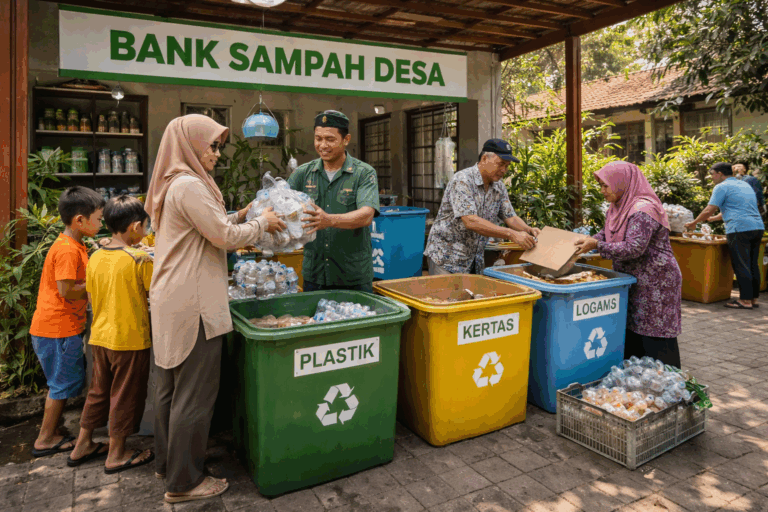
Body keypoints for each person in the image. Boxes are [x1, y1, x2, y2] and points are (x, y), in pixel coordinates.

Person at [145, 115, 285, 504]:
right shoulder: (189, 185)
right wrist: (261, 223)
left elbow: (210, 225)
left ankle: (168, 465)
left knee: (171, 389)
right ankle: (185, 483)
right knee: (194, 394)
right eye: (212, 145)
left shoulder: (174, 183)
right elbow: (222, 238)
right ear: (190, 145)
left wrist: (242, 214)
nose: (217, 154)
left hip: (172, 297)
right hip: (194, 302)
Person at [67, 196, 155, 472]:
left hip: (100, 338)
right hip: (129, 339)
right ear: (135, 227)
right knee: (126, 395)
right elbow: (156, 295)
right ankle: (116, 452)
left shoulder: (96, 256)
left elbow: (92, 299)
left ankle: (83, 443)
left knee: (98, 392)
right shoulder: (139, 259)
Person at [575, 161, 682, 367]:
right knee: (633, 331)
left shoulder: (642, 210)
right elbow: (607, 234)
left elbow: (634, 248)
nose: (602, 191)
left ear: (621, 182)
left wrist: (596, 245)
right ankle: (636, 384)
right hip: (632, 280)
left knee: (654, 335)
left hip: (655, 282)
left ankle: (667, 385)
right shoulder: (617, 208)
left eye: (606, 185)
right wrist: (586, 242)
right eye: (600, 186)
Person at [29, 186, 105, 458]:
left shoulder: (75, 244)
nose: (101, 224)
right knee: (59, 386)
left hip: (59, 327)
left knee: (61, 384)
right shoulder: (67, 250)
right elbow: (66, 290)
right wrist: (96, 282)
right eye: (98, 219)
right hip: (57, 329)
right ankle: (45, 438)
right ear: (80, 221)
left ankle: (51, 433)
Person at [288, 110, 380, 292]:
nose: (323, 145)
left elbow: (366, 215)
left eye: (330, 139)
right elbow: (281, 205)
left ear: (346, 140)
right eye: (318, 139)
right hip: (315, 274)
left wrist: (328, 220)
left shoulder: (364, 173)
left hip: (353, 276)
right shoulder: (302, 174)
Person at [424, 139, 538, 275]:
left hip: (473, 259)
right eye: (501, 164)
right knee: (446, 296)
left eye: (507, 166)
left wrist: (529, 230)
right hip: (446, 258)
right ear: (484, 158)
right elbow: (470, 221)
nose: (504, 170)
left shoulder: (499, 186)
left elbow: (510, 216)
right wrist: (511, 234)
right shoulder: (462, 180)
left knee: (469, 296)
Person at [686, 162, 764, 310]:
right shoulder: (744, 185)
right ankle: (753, 298)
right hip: (757, 227)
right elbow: (736, 208)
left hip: (739, 228)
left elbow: (709, 209)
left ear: (720, 174)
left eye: (712, 175)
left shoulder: (721, 187)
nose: (712, 178)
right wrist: (713, 219)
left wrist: (693, 223)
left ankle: (745, 300)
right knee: (752, 264)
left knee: (741, 264)